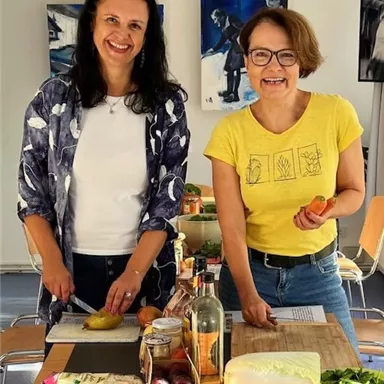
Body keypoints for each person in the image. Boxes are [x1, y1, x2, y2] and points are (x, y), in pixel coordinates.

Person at [18, 0, 190, 351]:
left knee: (150, 369)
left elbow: (166, 202)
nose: (122, 34)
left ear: (147, 36)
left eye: (135, 25)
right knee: (74, 371)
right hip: (71, 273)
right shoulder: (53, 100)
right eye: (112, 20)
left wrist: (135, 272)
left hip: (145, 271)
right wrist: (51, 261)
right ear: (92, 25)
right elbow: (31, 193)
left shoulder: (167, 105)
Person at [204, 7, 365, 353]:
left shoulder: (336, 113)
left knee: (340, 368)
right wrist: (248, 294)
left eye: (286, 55)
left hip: (318, 275)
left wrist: (329, 210)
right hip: (249, 275)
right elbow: (231, 227)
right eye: (261, 54)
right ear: (246, 61)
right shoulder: (229, 133)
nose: (273, 67)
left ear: (301, 60)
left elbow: (354, 192)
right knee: (241, 374)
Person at [205, 9, 245, 103]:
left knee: (235, 70)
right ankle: (229, 91)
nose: (215, 22)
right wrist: (212, 49)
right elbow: (222, 41)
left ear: (221, 17)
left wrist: (236, 37)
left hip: (239, 48)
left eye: (215, 19)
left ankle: (235, 95)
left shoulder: (231, 19)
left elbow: (244, 28)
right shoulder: (224, 27)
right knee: (228, 68)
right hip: (233, 47)